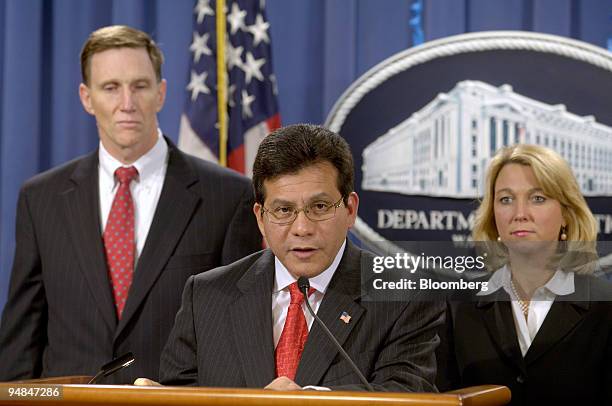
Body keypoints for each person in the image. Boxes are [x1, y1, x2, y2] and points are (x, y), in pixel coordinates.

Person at [0, 25, 261, 384]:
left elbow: (237, 334)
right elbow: (23, 334)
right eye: (110, 88)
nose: (127, 103)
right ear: (86, 97)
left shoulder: (229, 196)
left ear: (161, 93)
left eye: (140, 86)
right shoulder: (41, 198)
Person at [152, 124, 444, 391]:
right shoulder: (207, 295)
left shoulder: (404, 297)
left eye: (319, 206)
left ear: (350, 209)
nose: (302, 228)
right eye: (283, 210)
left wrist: (309, 401)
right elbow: (182, 393)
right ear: (260, 218)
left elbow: (405, 396)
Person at [437, 144, 612, 405]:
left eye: (538, 198)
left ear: (566, 212)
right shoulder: (458, 306)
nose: (520, 214)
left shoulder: (604, 306)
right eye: (506, 199)